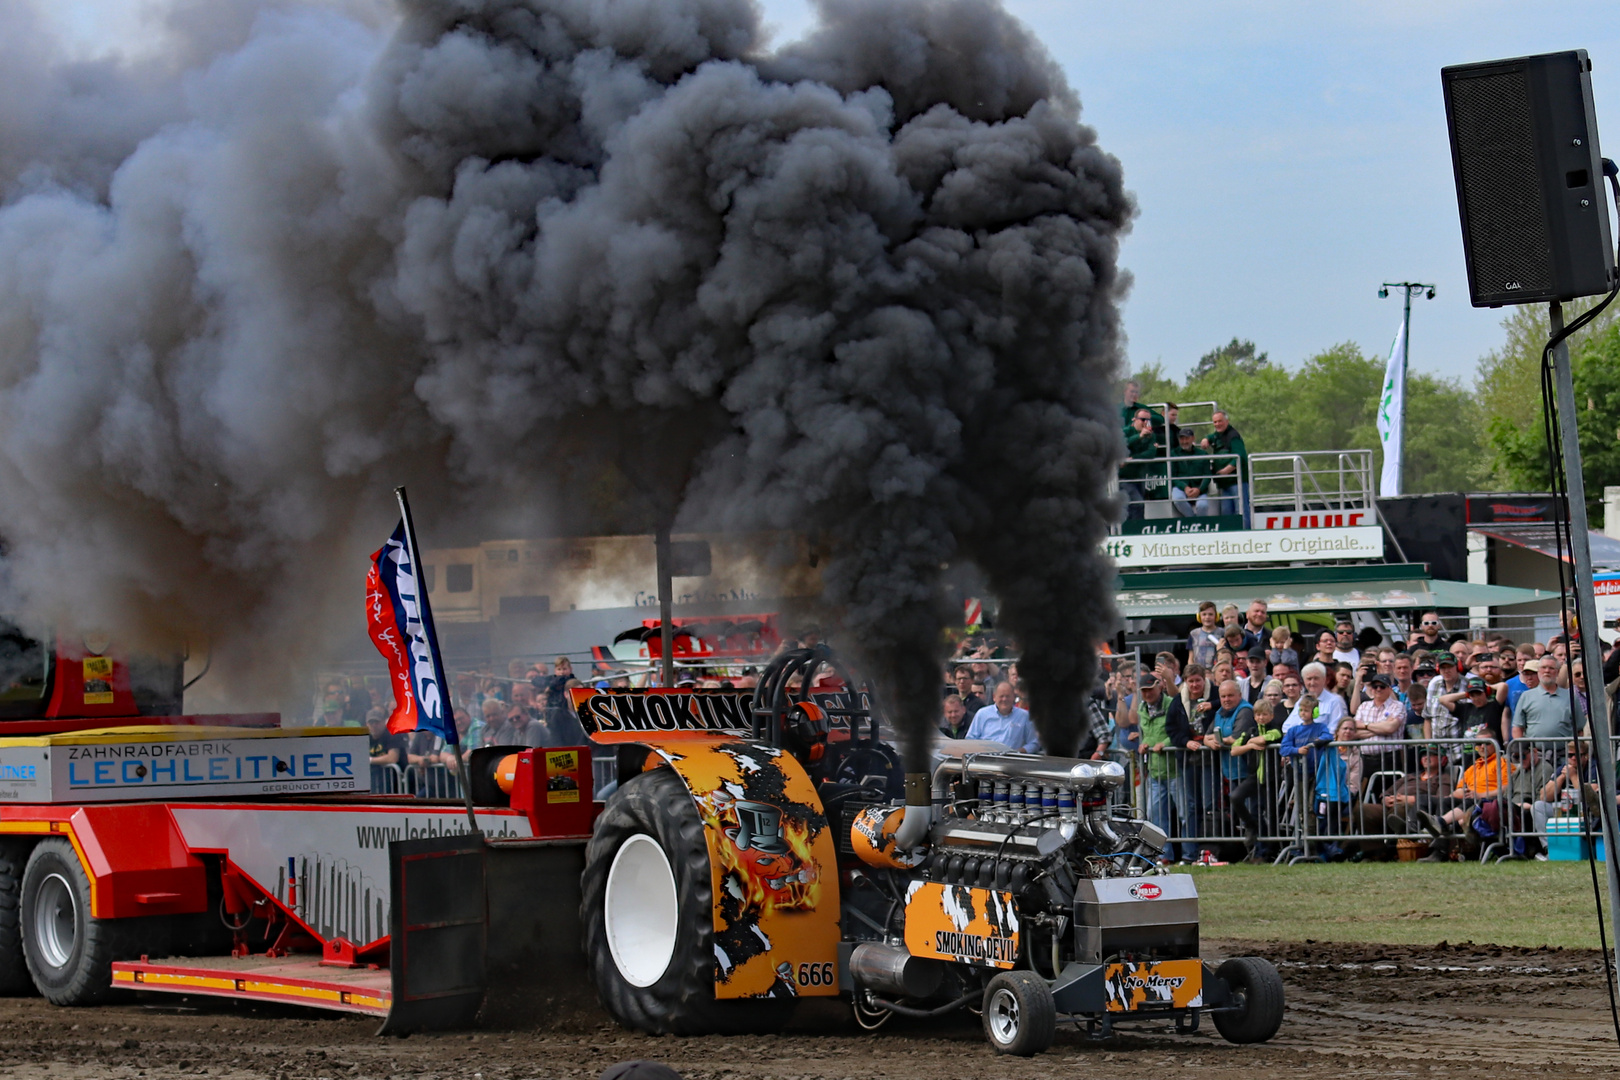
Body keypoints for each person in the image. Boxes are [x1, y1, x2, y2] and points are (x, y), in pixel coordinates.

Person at [1419, 726, 1511, 859]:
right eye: (1479, 744)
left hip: (1489, 802)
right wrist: (1459, 792)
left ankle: (1440, 824)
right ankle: (1436, 845)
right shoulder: (1473, 768)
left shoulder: (1503, 764)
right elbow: (1458, 789)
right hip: (1468, 800)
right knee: (1445, 801)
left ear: (1495, 744)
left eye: (1487, 743)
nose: (1482, 747)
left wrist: (1480, 794)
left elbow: (1506, 788)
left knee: (1470, 800)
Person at [1134, 673, 1194, 864]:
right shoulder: (1141, 709)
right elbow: (1147, 734)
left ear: (1159, 687)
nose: (1147, 694)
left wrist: (1165, 743)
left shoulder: (1172, 704)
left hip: (1175, 769)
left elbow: (1181, 729)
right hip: (1154, 771)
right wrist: (1144, 743)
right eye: (1143, 691)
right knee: (1156, 816)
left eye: (1150, 689)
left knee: (1185, 813)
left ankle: (1189, 855)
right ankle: (1163, 855)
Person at [1314, 717, 1363, 859]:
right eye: (1345, 728)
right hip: (1322, 792)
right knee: (1326, 804)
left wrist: (1340, 792)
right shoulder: (1327, 749)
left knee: (1333, 804)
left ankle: (1328, 845)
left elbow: (1354, 785)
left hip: (1344, 796)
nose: (1348, 731)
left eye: (1351, 729)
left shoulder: (1355, 757)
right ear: (1337, 731)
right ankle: (1324, 846)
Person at [1348, 673, 1407, 774]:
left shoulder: (1398, 706)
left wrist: (1365, 726)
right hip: (1365, 760)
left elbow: (1390, 728)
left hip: (1389, 758)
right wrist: (1381, 728)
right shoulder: (1363, 706)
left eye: (1382, 686)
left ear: (1389, 689)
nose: (1378, 689)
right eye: (1375, 686)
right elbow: (1355, 731)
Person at [1512, 658, 1580, 742]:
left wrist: (1574, 750)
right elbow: (1517, 728)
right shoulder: (1526, 696)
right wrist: (1525, 751)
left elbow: (1580, 729)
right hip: (1534, 753)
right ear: (1538, 671)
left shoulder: (1571, 697)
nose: (1547, 671)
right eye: (1543, 667)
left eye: (1551, 668)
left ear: (1557, 672)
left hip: (1565, 753)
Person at [1202, 409, 1250, 525]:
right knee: (1226, 512)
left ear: (1227, 421)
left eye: (1220, 421)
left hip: (1237, 482)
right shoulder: (1218, 435)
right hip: (1224, 484)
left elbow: (1240, 456)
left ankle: (1246, 536)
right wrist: (1206, 439)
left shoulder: (1233, 436)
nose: (1217, 424)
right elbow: (1212, 436)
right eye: (1215, 422)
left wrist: (1226, 470)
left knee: (1241, 512)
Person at [967, 681, 1040, 753]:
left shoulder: (1024, 716)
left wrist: (1018, 752)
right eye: (1001, 696)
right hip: (985, 760)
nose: (1004, 699)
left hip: (1013, 761)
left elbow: (1034, 743)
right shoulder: (982, 714)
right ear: (994, 697)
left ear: (1014, 697)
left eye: (1007, 696)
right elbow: (970, 740)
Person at [1120, 407, 1160, 519]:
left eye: (1148, 420)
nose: (1146, 423)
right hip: (1123, 477)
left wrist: (1133, 458)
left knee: (1139, 504)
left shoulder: (1151, 434)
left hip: (1139, 477)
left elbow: (1151, 452)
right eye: (1143, 420)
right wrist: (1139, 436)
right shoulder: (1125, 431)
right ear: (1134, 419)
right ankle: (1132, 530)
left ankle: (1138, 530)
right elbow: (1121, 444)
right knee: (1137, 503)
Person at [1287, 662, 1347, 733]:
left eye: (1316, 678)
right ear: (1304, 681)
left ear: (1324, 679)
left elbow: (1334, 729)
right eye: (1309, 679)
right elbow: (1287, 726)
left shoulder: (1335, 701)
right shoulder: (1300, 701)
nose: (1312, 683)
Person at [1169, 426, 1214, 517]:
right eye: (1182, 439)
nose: (1184, 441)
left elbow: (1207, 475)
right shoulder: (1173, 454)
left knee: (1203, 506)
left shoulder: (1202, 454)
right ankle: (1193, 520)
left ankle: (1200, 525)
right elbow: (1172, 476)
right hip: (1181, 487)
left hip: (1199, 487)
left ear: (1193, 438)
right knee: (1178, 499)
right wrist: (1185, 487)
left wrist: (1199, 489)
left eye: (1187, 438)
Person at [1187, 601, 1223, 669]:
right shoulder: (1193, 634)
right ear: (1199, 616)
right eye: (1204, 614)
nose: (1207, 617)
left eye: (1210, 614)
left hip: (1216, 670)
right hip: (1198, 671)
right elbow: (1191, 657)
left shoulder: (1222, 633)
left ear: (1216, 616)